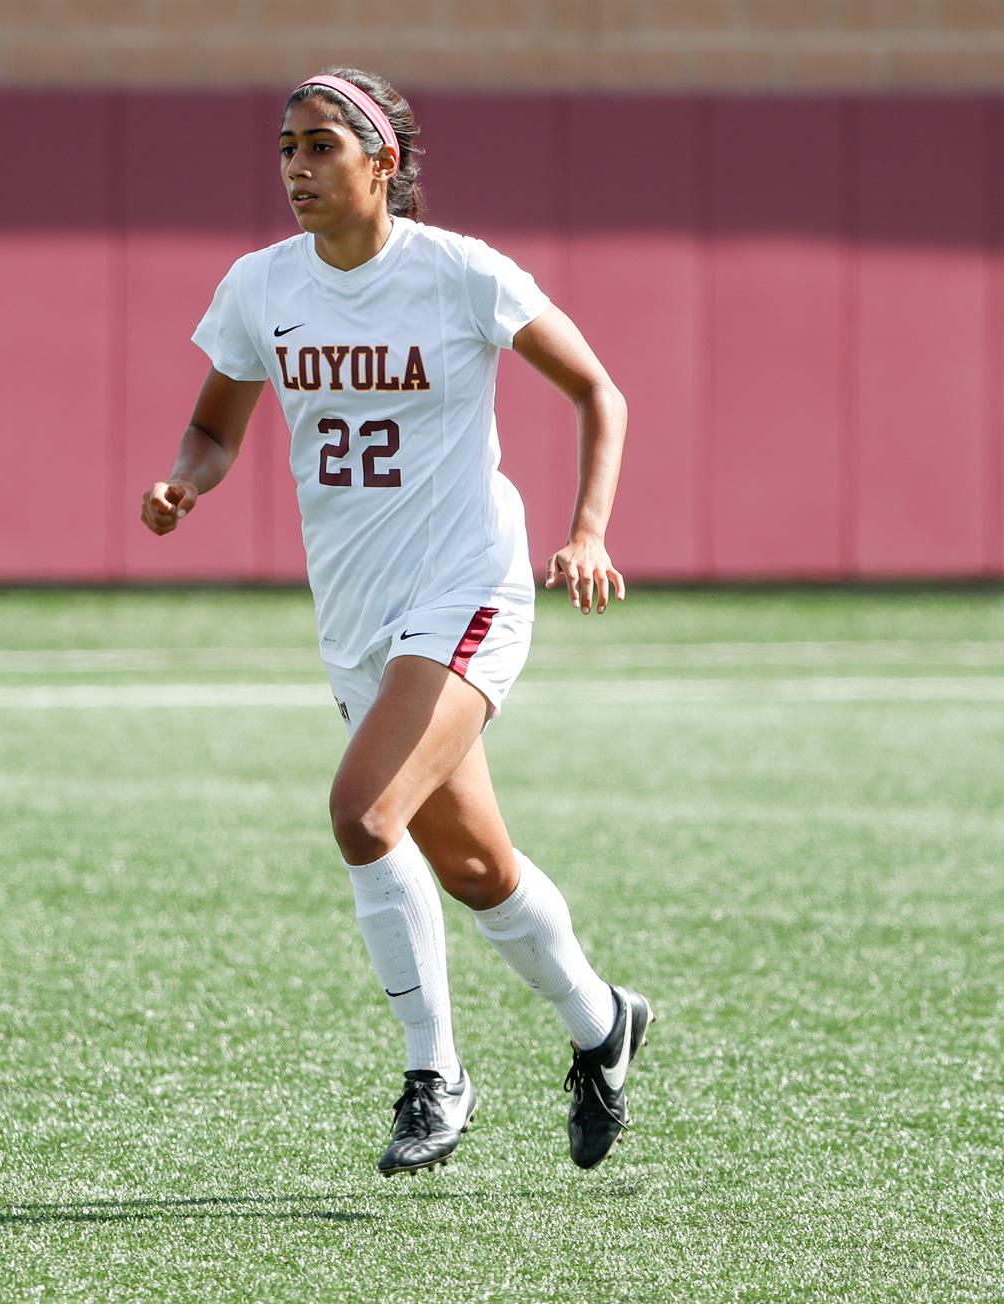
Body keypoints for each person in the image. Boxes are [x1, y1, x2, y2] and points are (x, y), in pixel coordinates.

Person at [140, 69, 650, 1176]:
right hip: (357, 614)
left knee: (363, 815)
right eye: (284, 146)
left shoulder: (457, 272)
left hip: (467, 587)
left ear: (383, 163)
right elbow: (212, 428)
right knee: (473, 865)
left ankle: (435, 1073)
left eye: (320, 145)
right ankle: (600, 1022)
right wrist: (187, 481)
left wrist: (588, 529)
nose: (294, 167)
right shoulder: (258, 286)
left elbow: (597, 391)